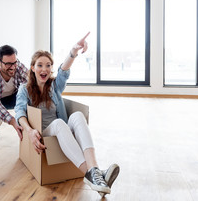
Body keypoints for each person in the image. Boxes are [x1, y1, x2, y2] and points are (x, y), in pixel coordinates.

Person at [14, 32, 120, 195]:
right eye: (40, 65)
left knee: (77, 115)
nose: (44, 69)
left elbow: (64, 69)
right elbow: (19, 112)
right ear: (33, 68)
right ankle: (95, 174)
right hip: (46, 133)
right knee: (58, 123)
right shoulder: (24, 89)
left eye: (48, 65)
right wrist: (30, 130)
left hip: (62, 130)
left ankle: (94, 172)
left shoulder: (54, 86)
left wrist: (74, 51)